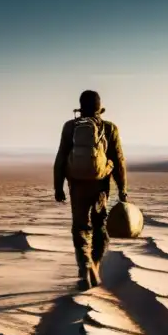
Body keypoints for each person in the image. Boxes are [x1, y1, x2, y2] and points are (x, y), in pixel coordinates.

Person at [54, 90, 128, 289]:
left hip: (77, 186)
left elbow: (61, 158)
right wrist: (123, 189)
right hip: (100, 187)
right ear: (99, 107)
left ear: (81, 107)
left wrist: (58, 187)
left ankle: (85, 266)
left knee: (80, 228)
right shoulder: (109, 128)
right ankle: (94, 264)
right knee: (99, 227)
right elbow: (119, 161)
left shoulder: (70, 127)